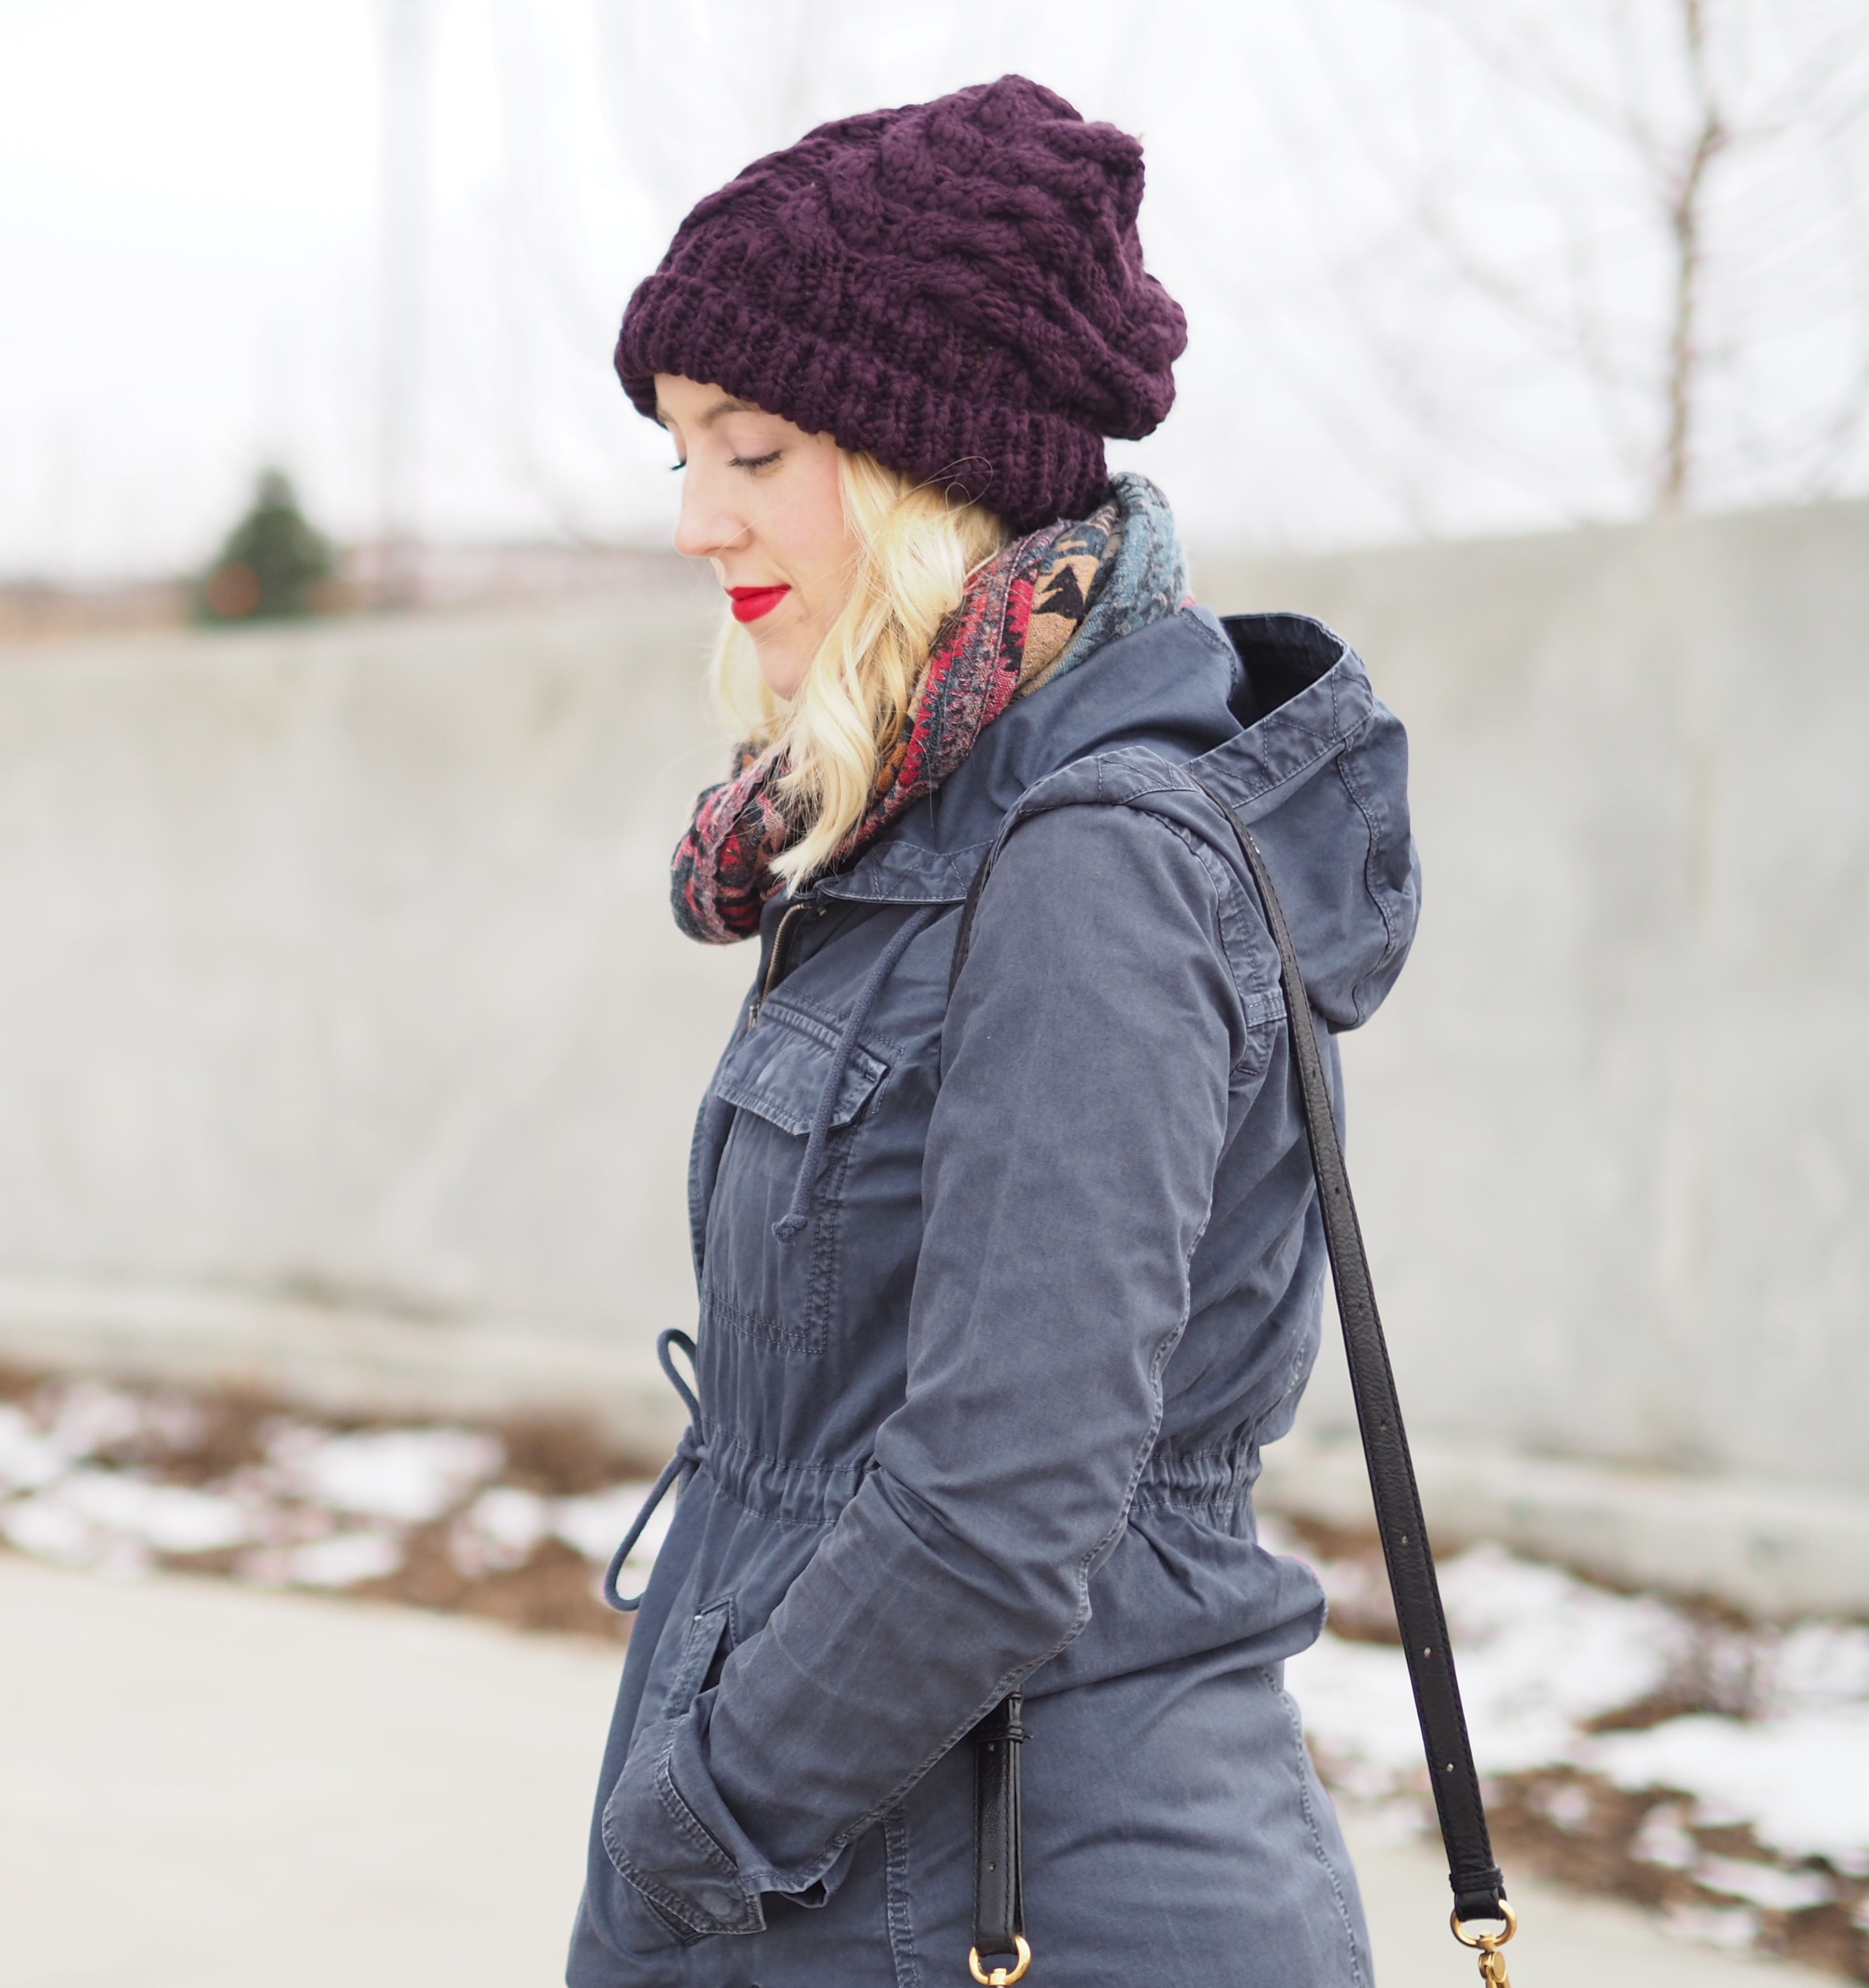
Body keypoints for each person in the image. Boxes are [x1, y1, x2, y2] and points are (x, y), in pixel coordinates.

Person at [571, 76, 1417, 1986]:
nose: (701, 518)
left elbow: (1002, 1505)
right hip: (880, 1857)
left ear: (924, 460)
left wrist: (701, 1820)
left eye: (755, 447)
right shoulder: (927, 817)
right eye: (679, 452)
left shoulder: (1091, 860)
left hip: (1007, 1884)